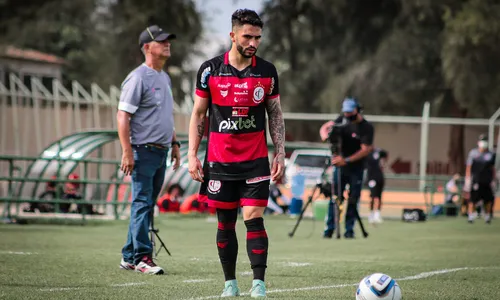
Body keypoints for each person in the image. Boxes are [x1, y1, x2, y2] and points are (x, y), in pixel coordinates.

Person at [187, 9, 285, 298]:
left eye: (257, 37)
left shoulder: (267, 71)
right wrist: (193, 154)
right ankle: (230, 283)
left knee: (254, 217)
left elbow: (275, 115)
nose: (253, 42)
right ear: (232, 35)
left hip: (255, 160)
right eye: (247, 36)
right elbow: (198, 114)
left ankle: (259, 283)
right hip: (219, 161)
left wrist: (279, 152)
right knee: (225, 222)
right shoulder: (210, 70)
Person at [117, 25, 181, 275]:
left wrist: (174, 144)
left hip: (161, 150)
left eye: (168, 41)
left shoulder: (164, 77)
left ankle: (129, 256)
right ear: (147, 47)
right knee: (142, 202)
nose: (167, 44)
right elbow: (123, 116)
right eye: (162, 41)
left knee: (145, 204)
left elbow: (165, 116)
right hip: (142, 150)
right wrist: (126, 151)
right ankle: (143, 256)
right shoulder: (137, 77)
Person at [319, 97, 374, 239]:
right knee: (335, 198)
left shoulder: (366, 127)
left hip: (356, 168)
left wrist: (347, 160)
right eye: (346, 112)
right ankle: (329, 229)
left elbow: (366, 149)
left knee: (353, 199)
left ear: (357, 110)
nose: (348, 115)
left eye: (350, 112)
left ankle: (349, 230)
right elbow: (325, 127)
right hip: (340, 167)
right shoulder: (341, 120)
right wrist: (325, 135)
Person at [464, 134, 496, 224]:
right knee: (473, 199)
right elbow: (469, 167)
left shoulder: (491, 154)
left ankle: (487, 216)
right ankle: (471, 216)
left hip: (487, 180)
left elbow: (492, 168)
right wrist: (468, 178)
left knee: (488, 199)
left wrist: (493, 179)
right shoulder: (473, 153)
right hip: (476, 180)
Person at [365, 148, 388, 224]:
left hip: (379, 178)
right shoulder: (366, 154)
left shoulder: (378, 152)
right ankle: (371, 214)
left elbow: (385, 153)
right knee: (372, 197)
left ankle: (377, 214)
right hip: (372, 179)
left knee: (379, 197)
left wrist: (383, 162)